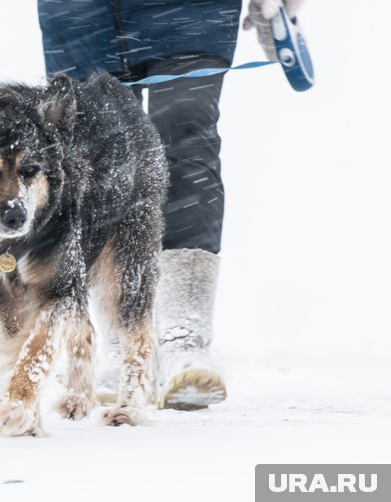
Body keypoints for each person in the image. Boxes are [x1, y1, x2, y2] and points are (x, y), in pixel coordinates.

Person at [37, 0, 305, 409]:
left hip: (191, 10)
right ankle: (124, 341)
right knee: (97, 153)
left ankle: (185, 338)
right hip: (81, 11)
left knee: (185, 130)